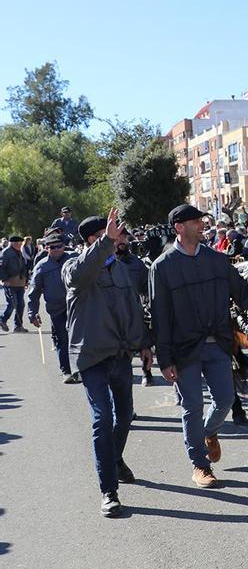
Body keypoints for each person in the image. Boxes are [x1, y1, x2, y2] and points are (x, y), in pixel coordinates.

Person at [149, 204, 248, 489]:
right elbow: (160, 316)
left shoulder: (217, 261)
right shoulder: (162, 267)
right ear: (179, 227)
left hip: (218, 345)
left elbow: (244, 293)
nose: (202, 225)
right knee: (191, 406)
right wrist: (164, 359)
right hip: (183, 349)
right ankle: (200, 465)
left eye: (202, 221)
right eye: (195, 222)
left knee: (226, 399)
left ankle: (207, 432)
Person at [65, 210, 154, 517]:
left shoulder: (120, 269)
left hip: (120, 354)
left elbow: (132, 308)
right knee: (102, 419)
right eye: (112, 234)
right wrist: (105, 242)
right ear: (95, 239)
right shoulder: (74, 267)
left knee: (125, 414)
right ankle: (108, 490)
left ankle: (114, 459)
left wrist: (143, 344)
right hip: (91, 356)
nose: (121, 238)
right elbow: (80, 273)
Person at [27, 234, 76, 381]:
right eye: (52, 247)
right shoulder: (42, 266)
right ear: (46, 248)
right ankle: (67, 371)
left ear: (64, 246)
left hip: (77, 307)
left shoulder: (74, 259)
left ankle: (81, 369)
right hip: (57, 309)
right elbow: (34, 291)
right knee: (62, 339)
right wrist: (32, 313)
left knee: (79, 338)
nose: (56, 250)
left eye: (59, 246)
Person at [113, 226, 155, 385]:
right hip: (114, 315)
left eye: (123, 238)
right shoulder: (105, 263)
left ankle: (147, 372)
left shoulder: (136, 263)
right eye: (117, 238)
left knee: (144, 343)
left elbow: (146, 286)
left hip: (135, 311)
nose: (121, 241)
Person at [1, 234, 28, 332]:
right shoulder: (6, 253)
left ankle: (18, 326)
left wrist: (26, 280)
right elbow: (1, 268)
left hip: (20, 283)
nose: (20, 244)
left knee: (21, 305)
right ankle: (2, 319)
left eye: (21, 243)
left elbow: (23, 267)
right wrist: (5, 279)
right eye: (18, 243)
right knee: (12, 303)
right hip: (10, 283)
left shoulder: (19, 252)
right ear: (12, 243)